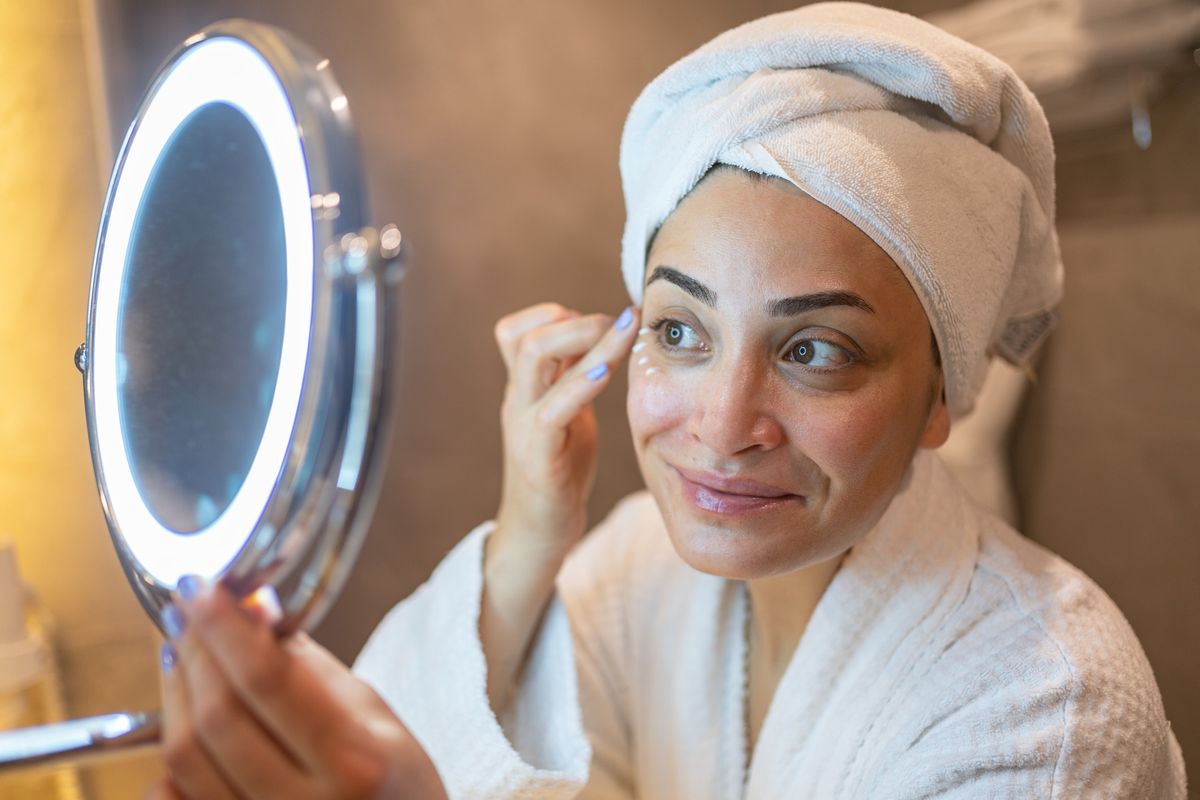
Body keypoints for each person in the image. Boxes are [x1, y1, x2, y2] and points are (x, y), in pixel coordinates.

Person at [146, 3, 1188, 799]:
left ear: (937, 397)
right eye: (680, 330)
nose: (724, 425)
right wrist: (526, 538)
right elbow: (437, 725)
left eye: (817, 347)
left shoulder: (1049, 714)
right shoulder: (646, 563)